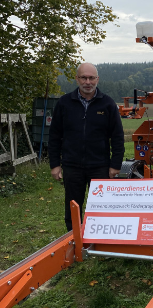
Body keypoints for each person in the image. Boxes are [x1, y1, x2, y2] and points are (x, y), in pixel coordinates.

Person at [48, 62, 125, 231]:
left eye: (91, 78)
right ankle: (73, 238)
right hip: (72, 165)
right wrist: (55, 164)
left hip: (100, 166)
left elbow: (118, 137)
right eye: (84, 77)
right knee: (73, 205)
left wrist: (115, 165)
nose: (87, 82)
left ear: (97, 79)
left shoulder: (107, 104)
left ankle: (100, 238)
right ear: (77, 79)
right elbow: (54, 136)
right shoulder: (64, 103)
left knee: (101, 205)